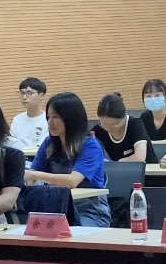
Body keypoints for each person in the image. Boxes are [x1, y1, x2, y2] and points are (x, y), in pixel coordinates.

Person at [26, 92, 110, 227]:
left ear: (71, 118)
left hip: (88, 210)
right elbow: (31, 176)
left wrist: (35, 175)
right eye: (48, 117)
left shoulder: (90, 146)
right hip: (56, 208)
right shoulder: (48, 144)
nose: (50, 122)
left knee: (69, 233)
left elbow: (72, 181)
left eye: (55, 117)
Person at [92, 93, 157, 163]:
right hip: (121, 169)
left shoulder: (135, 124)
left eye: (115, 124)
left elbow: (140, 157)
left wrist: (117, 163)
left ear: (124, 116)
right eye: (104, 124)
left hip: (148, 168)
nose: (109, 128)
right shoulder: (99, 130)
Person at [10, 77, 48, 147]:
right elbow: (12, 143)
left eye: (29, 93)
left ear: (41, 96)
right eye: (22, 93)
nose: (24, 97)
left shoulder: (48, 119)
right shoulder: (17, 119)